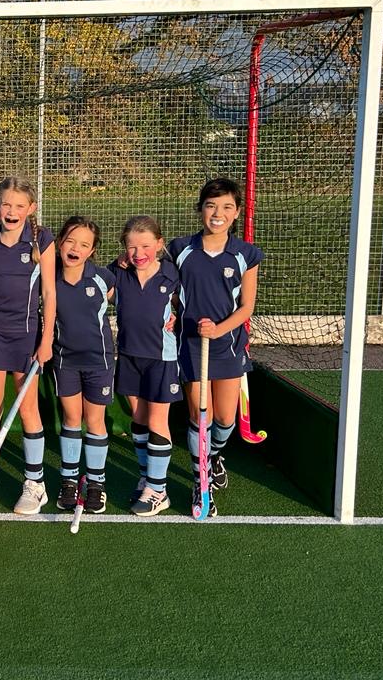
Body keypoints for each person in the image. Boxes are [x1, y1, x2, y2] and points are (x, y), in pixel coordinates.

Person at [167, 177, 263, 518]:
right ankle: (200, 481)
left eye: (225, 207)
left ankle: (215, 455)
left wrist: (219, 329)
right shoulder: (180, 250)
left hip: (227, 345)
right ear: (200, 210)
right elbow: (161, 282)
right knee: (199, 417)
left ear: (236, 213)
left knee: (224, 418)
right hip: (191, 346)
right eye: (210, 206)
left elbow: (247, 307)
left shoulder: (245, 255)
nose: (217, 213)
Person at [0, 176, 56, 515]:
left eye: (19, 206)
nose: (12, 211)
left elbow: (50, 293)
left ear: (30, 209)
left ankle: (35, 485)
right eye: (6, 204)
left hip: (26, 336)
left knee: (28, 408)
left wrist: (46, 339)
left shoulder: (41, 240)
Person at [108, 215, 181, 517]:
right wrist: (117, 260)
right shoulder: (118, 273)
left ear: (160, 245)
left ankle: (159, 489)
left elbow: (188, 303)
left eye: (146, 246)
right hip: (128, 355)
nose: (139, 253)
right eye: (132, 247)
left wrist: (178, 316)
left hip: (161, 358)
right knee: (138, 419)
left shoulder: (171, 276)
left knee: (156, 420)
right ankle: (146, 476)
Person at [51, 216, 115, 515]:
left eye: (84, 244)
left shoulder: (103, 278)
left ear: (92, 251)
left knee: (95, 421)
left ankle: (96, 484)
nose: (76, 248)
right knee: (71, 418)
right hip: (65, 360)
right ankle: (68, 480)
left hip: (98, 361)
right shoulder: (49, 277)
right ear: (60, 243)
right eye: (70, 241)